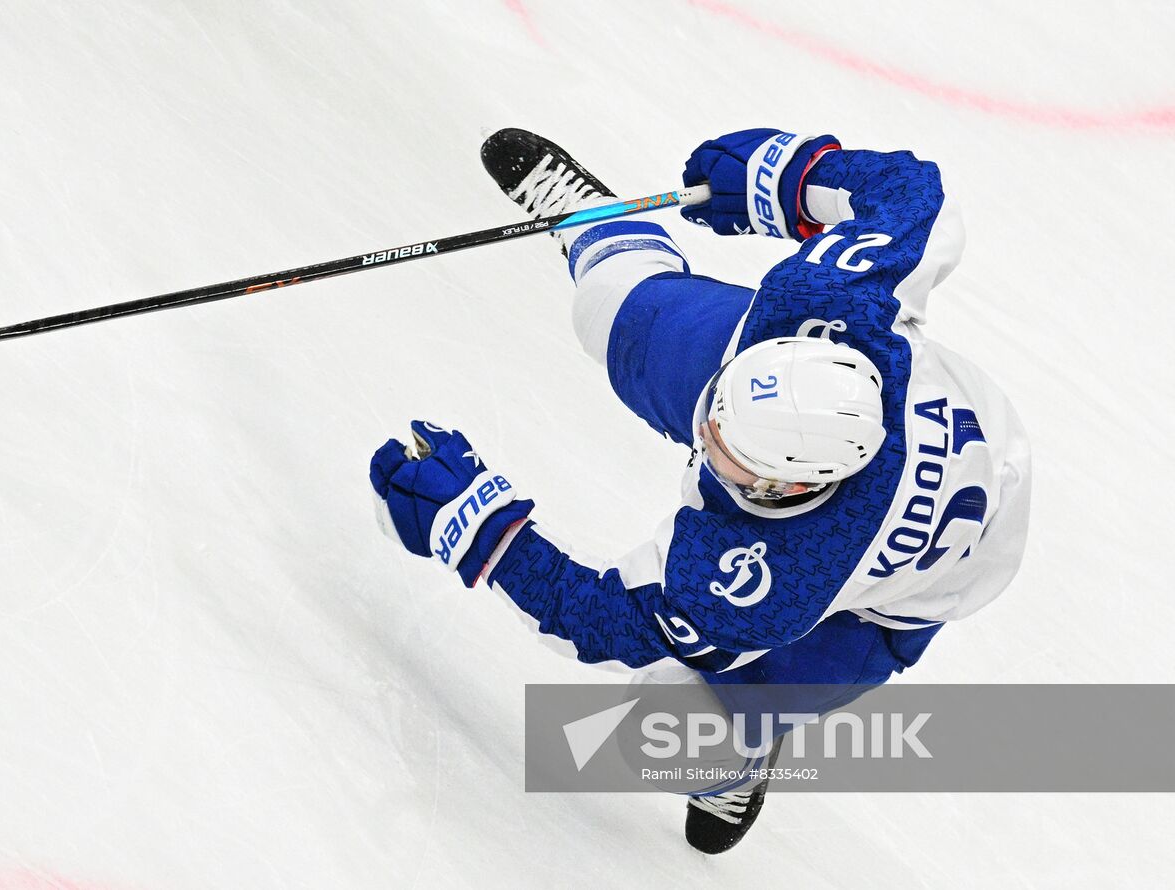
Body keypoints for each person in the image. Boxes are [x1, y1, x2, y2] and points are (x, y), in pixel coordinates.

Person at [368, 127, 1031, 854]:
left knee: (661, 728)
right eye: (716, 419)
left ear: (790, 486)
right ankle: (598, 225)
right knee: (616, 313)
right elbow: (916, 198)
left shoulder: (779, 579)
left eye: (728, 455)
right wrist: (794, 177)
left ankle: (732, 770)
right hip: (854, 406)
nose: (703, 435)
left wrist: (479, 530)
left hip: (885, 610)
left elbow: (605, 624)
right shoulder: (824, 298)